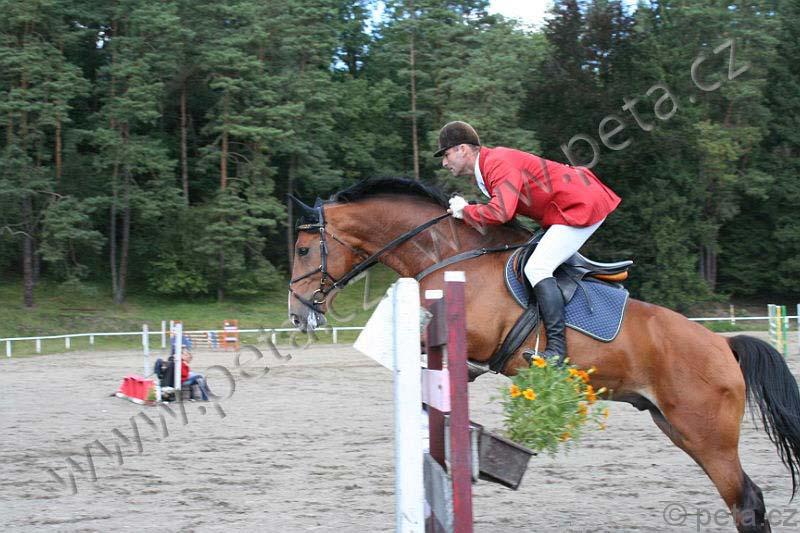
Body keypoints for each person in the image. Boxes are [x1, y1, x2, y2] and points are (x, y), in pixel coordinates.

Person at [435, 121, 621, 365]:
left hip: (580, 205)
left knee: (537, 268)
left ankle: (557, 351)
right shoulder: (486, 170)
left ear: (462, 149)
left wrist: (466, 211)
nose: (444, 163)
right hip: (564, 207)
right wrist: (470, 211)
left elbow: (501, 212)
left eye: (446, 154)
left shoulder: (497, 162)